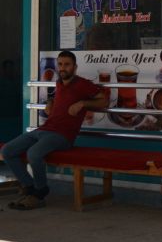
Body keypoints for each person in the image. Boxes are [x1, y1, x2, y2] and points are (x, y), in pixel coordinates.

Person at [1, 51, 108, 210]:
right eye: (60, 64)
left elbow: (104, 100)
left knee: (34, 154)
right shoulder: (59, 83)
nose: (63, 68)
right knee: (8, 150)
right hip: (44, 129)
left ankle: (40, 193)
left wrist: (82, 104)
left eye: (67, 64)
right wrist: (50, 101)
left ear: (75, 67)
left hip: (62, 136)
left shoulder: (82, 84)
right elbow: (61, 98)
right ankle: (29, 188)